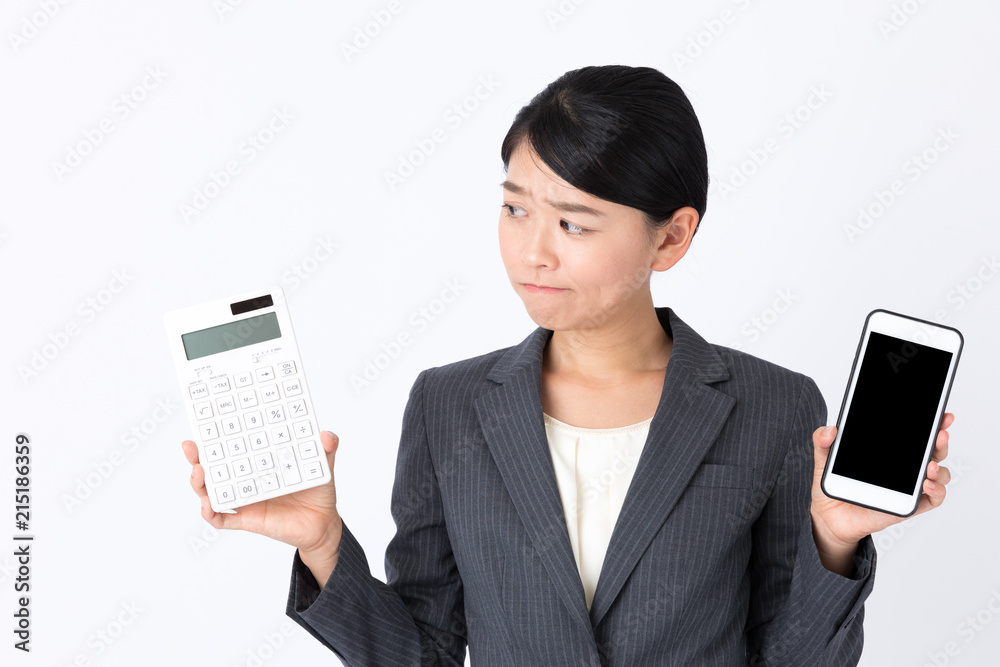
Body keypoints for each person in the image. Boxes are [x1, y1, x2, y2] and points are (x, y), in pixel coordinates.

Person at [180, 65, 954, 666]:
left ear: (672, 237)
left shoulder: (773, 405)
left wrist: (835, 542)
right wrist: (322, 544)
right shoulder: (447, 404)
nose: (532, 250)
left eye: (574, 222)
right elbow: (426, 653)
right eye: (515, 208)